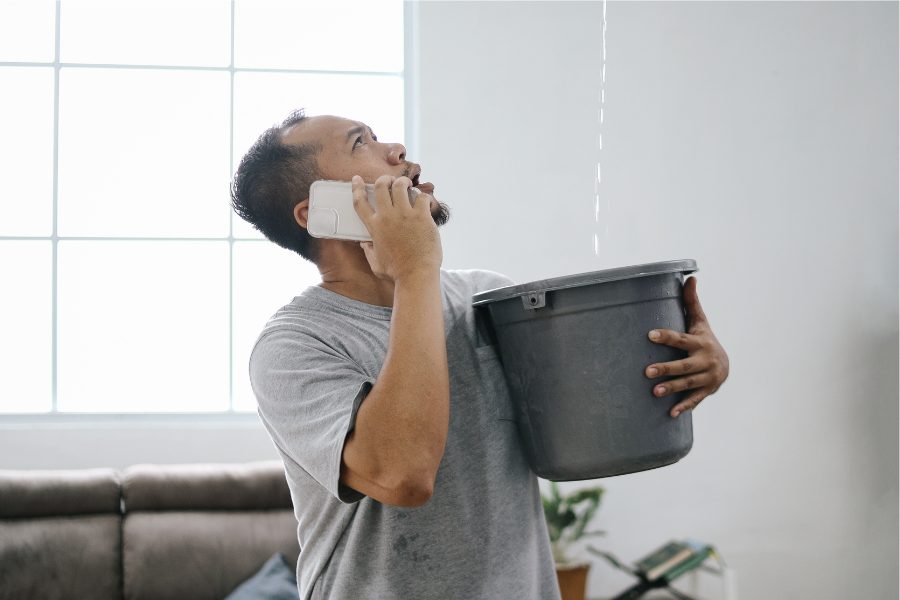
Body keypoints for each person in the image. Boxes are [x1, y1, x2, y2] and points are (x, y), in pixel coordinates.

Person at [230, 109, 730, 600]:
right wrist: (415, 272)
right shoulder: (291, 347)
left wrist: (694, 368)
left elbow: (588, 421)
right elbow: (403, 475)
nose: (396, 150)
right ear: (317, 212)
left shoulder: (488, 299)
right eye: (361, 143)